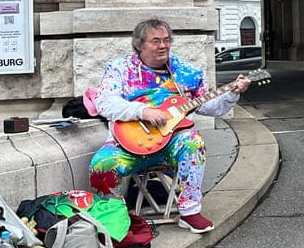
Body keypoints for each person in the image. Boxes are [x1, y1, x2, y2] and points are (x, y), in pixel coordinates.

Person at [88, 19, 251, 234]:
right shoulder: (119, 68)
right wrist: (142, 111)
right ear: (139, 45)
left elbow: (210, 107)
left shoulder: (186, 73)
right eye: (156, 41)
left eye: (166, 40)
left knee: (193, 141)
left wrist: (232, 94)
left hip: (170, 146)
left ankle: (190, 211)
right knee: (101, 164)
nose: (163, 45)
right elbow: (104, 102)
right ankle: (115, 216)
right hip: (128, 145)